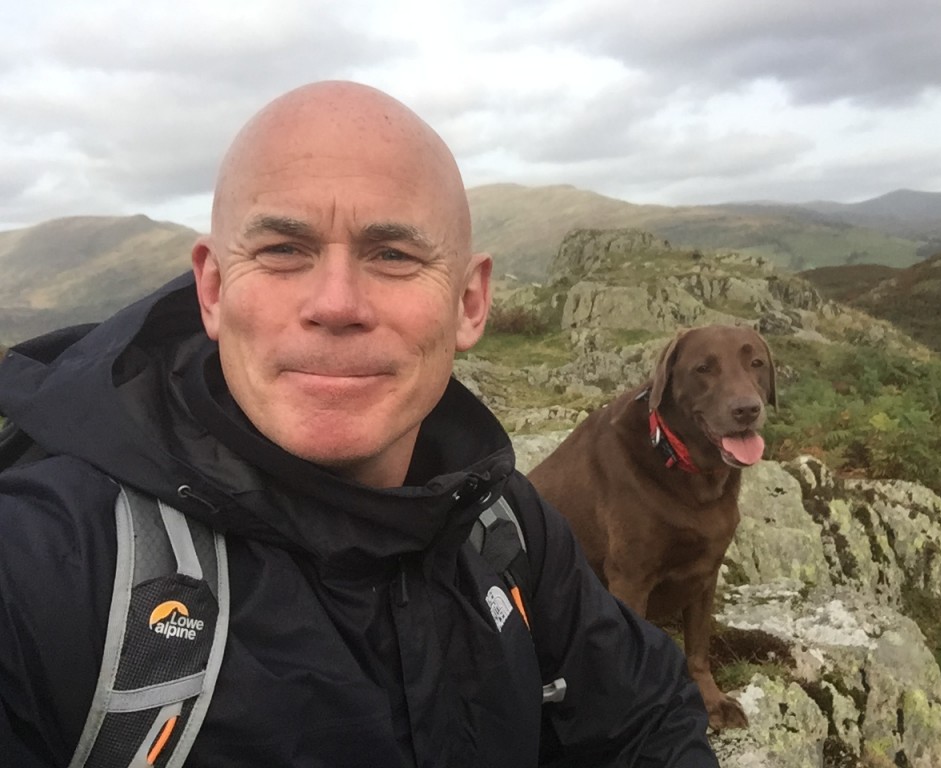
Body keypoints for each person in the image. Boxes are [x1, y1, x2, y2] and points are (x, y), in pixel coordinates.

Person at [0, 81, 720, 767]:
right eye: (283, 251)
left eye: (393, 254)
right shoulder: (55, 565)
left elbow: (649, 714)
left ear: (470, 304)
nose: (337, 303)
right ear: (213, 290)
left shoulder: (500, 523)